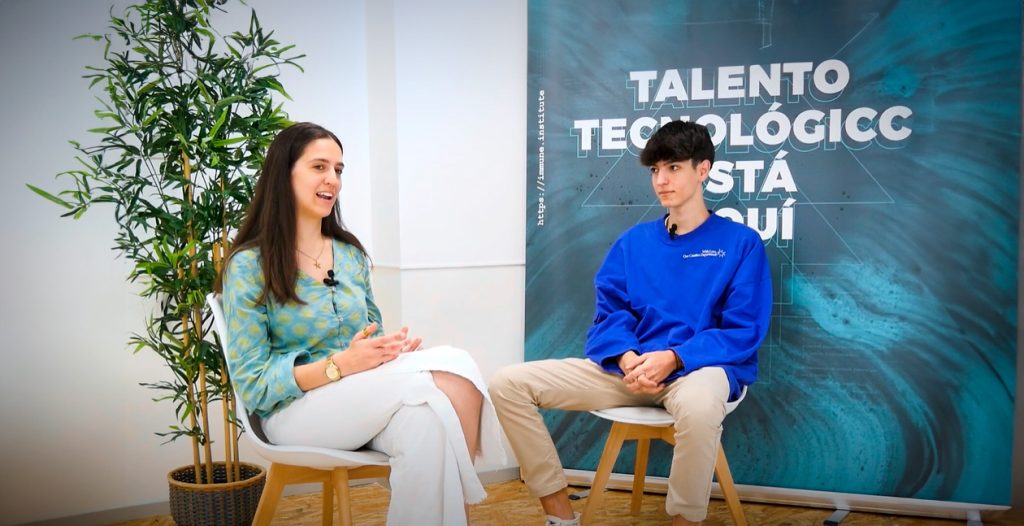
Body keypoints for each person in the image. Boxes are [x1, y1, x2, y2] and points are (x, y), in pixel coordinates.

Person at [216, 122, 504, 526]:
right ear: (284, 174)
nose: (332, 179)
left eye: (338, 169)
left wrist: (386, 354)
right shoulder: (249, 265)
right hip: (292, 413)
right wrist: (341, 365)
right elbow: (255, 386)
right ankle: (464, 514)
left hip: (358, 400)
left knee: (428, 421)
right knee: (454, 368)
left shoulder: (350, 256)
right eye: (319, 167)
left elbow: (370, 336)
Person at [489, 121, 772, 526]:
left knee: (699, 407)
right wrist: (626, 359)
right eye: (655, 170)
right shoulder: (633, 243)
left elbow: (742, 330)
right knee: (507, 384)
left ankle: (684, 521)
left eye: (673, 168)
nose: (661, 180)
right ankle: (560, 515)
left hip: (698, 373)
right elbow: (610, 314)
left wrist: (674, 358)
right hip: (629, 372)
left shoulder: (740, 243)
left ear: (703, 169)